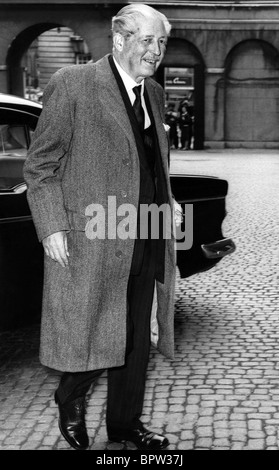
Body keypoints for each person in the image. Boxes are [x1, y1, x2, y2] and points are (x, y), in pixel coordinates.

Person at [24, 4, 179, 451]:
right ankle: (69, 398)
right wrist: (51, 226)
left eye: (161, 42)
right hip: (93, 234)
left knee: (133, 336)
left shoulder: (154, 93)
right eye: (147, 41)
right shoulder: (74, 84)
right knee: (89, 326)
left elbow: (150, 162)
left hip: (145, 232)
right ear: (119, 39)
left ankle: (126, 425)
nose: (156, 52)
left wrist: (167, 203)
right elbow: (40, 165)